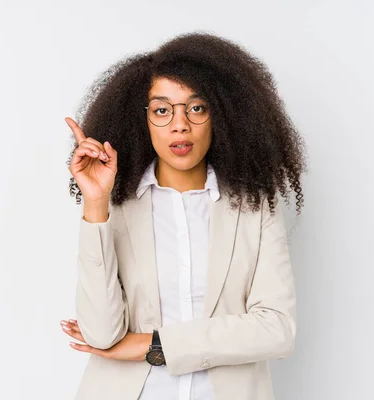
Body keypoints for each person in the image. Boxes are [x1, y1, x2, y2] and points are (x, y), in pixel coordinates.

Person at [60, 31, 306, 400]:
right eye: (162, 110)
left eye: (197, 108)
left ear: (220, 115)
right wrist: (95, 204)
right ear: (140, 120)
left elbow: (276, 329)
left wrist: (156, 346)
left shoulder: (255, 208)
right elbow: (101, 334)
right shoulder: (116, 208)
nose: (180, 125)